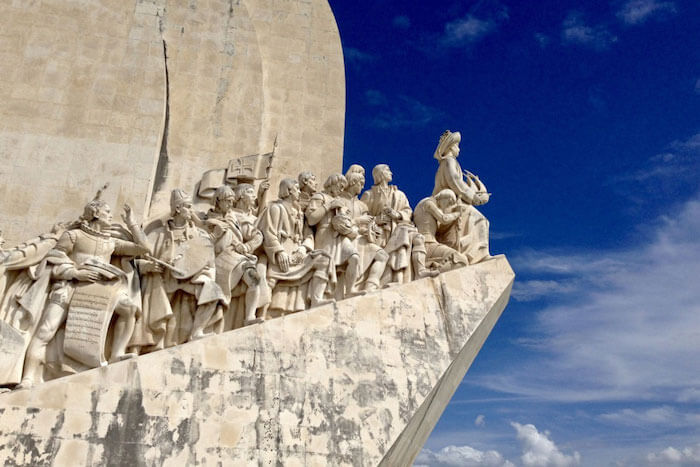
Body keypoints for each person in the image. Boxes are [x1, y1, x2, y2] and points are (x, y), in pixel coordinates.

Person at [19, 198, 149, 389]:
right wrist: (75, 273)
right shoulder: (74, 236)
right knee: (46, 329)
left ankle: (116, 354)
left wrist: (132, 223)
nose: (110, 215)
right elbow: (53, 259)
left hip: (99, 290)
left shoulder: (110, 242)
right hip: (70, 286)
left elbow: (144, 249)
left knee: (129, 309)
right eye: (106, 212)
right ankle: (27, 377)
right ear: (95, 214)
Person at [134, 189, 225, 351]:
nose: (191, 211)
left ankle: (197, 331)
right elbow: (143, 254)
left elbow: (207, 260)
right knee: (159, 303)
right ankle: (155, 340)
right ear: (177, 209)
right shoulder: (159, 233)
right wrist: (148, 266)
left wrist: (201, 273)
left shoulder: (199, 234)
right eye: (188, 207)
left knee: (213, 291)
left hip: (190, 278)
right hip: (164, 279)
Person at [258, 179, 332, 315]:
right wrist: (279, 252)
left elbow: (308, 235)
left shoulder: (299, 212)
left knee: (324, 260)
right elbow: (268, 232)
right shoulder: (275, 208)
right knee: (270, 279)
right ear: (288, 191)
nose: (299, 192)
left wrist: (303, 249)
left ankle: (316, 299)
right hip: (281, 253)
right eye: (297, 189)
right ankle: (260, 313)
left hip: (298, 254)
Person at [361, 164, 438, 283]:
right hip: (380, 233)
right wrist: (376, 220)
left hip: (399, 227)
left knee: (418, 237)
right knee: (404, 235)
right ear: (380, 174)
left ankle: (420, 270)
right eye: (387, 170)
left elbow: (408, 211)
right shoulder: (369, 194)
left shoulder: (399, 194)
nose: (391, 173)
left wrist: (397, 215)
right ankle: (394, 279)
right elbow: (361, 216)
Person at [206, 185, 263, 330]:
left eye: (232, 201)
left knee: (255, 278)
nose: (231, 204)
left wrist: (247, 246)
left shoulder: (233, 216)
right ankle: (202, 327)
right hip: (220, 259)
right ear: (218, 201)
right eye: (228, 201)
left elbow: (255, 234)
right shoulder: (210, 219)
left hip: (237, 257)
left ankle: (250, 317)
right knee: (216, 295)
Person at [432, 130, 491, 264]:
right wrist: (475, 198)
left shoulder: (448, 163)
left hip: (451, 203)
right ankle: (478, 255)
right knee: (479, 219)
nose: (459, 148)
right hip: (447, 205)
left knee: (480, 219)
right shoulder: (449, 161)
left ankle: (477, 253)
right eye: (457, 145)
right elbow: (456, 183)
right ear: (451, 146)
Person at [306, 174, 364, 299]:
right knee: (325, 264)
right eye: (340, 186)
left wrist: (345, 215)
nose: (342, 189)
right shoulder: (319, 197)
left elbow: (345, 220)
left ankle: (350, 290)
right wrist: (329, 206)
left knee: (354, 257)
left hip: (340, 236)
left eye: (344, 187)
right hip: (325, 234)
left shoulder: (340, 201)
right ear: (332, 184)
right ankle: (317, 298)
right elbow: (311, 219)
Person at [337, 171, 389, 292]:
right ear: (352, 183)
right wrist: (358, 220)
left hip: (359, 239)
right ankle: (350, 289)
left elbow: (365, 225)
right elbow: (338, 223)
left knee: (382, 255)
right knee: (354, 257)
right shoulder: (339, 201)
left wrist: (369, 229)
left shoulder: (362, 206)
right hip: (343, 238)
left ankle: (370, 286)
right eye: (360, 183)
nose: (363, 186)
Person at [413, 190, 469, 271]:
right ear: (445, 198)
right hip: (427, 244)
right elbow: (444, 218)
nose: (448, 206)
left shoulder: (427, 205)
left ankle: (431, 268)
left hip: (429, 244)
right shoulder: (428, 203)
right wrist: (457, 213)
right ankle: (430, 273)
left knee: (461, 260)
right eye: (449, 203)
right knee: (461, 260)